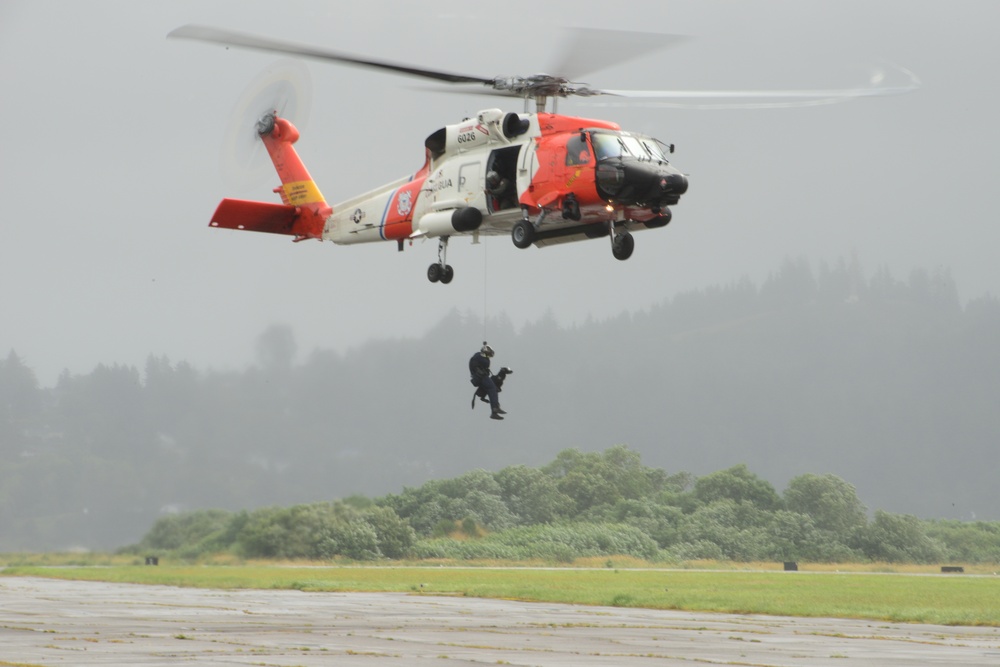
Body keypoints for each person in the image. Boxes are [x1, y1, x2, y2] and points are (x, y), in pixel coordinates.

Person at [469, 342, 507, 420]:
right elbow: (478, 364)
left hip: (482, 377)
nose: (489, 356)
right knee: (492, 388)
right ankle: (495, 408)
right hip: (481, 377)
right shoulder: (478, 356)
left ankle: (494, 412)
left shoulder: (481, 357)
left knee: (493, 389)